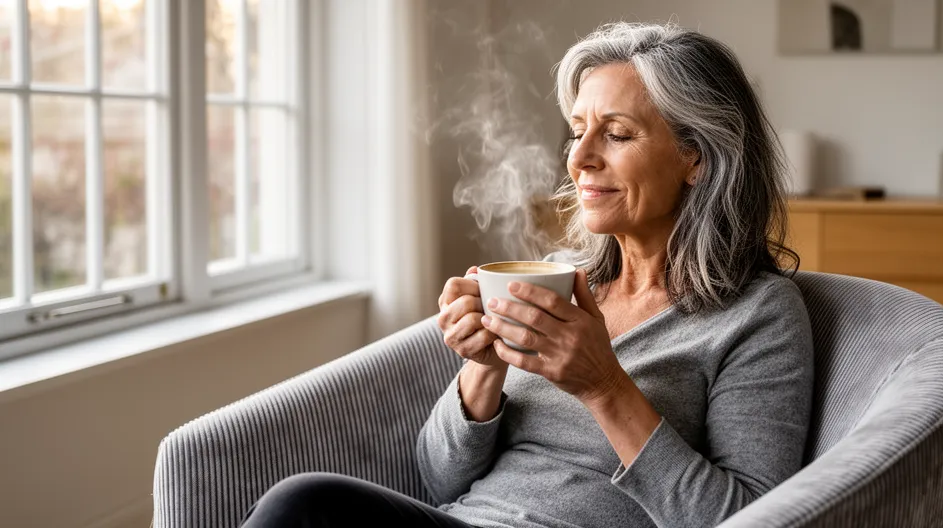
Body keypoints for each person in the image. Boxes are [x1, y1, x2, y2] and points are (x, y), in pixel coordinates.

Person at [241, 22, 813, 528]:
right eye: (578, 130)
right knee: (306, 504)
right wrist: (482, 370)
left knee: (304, 505)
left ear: (698, 158)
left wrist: (605, 387)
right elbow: (439, 482)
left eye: (616, 134)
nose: (579, 157)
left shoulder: (758, 314)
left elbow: (747, 517)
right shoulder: (560, 283)